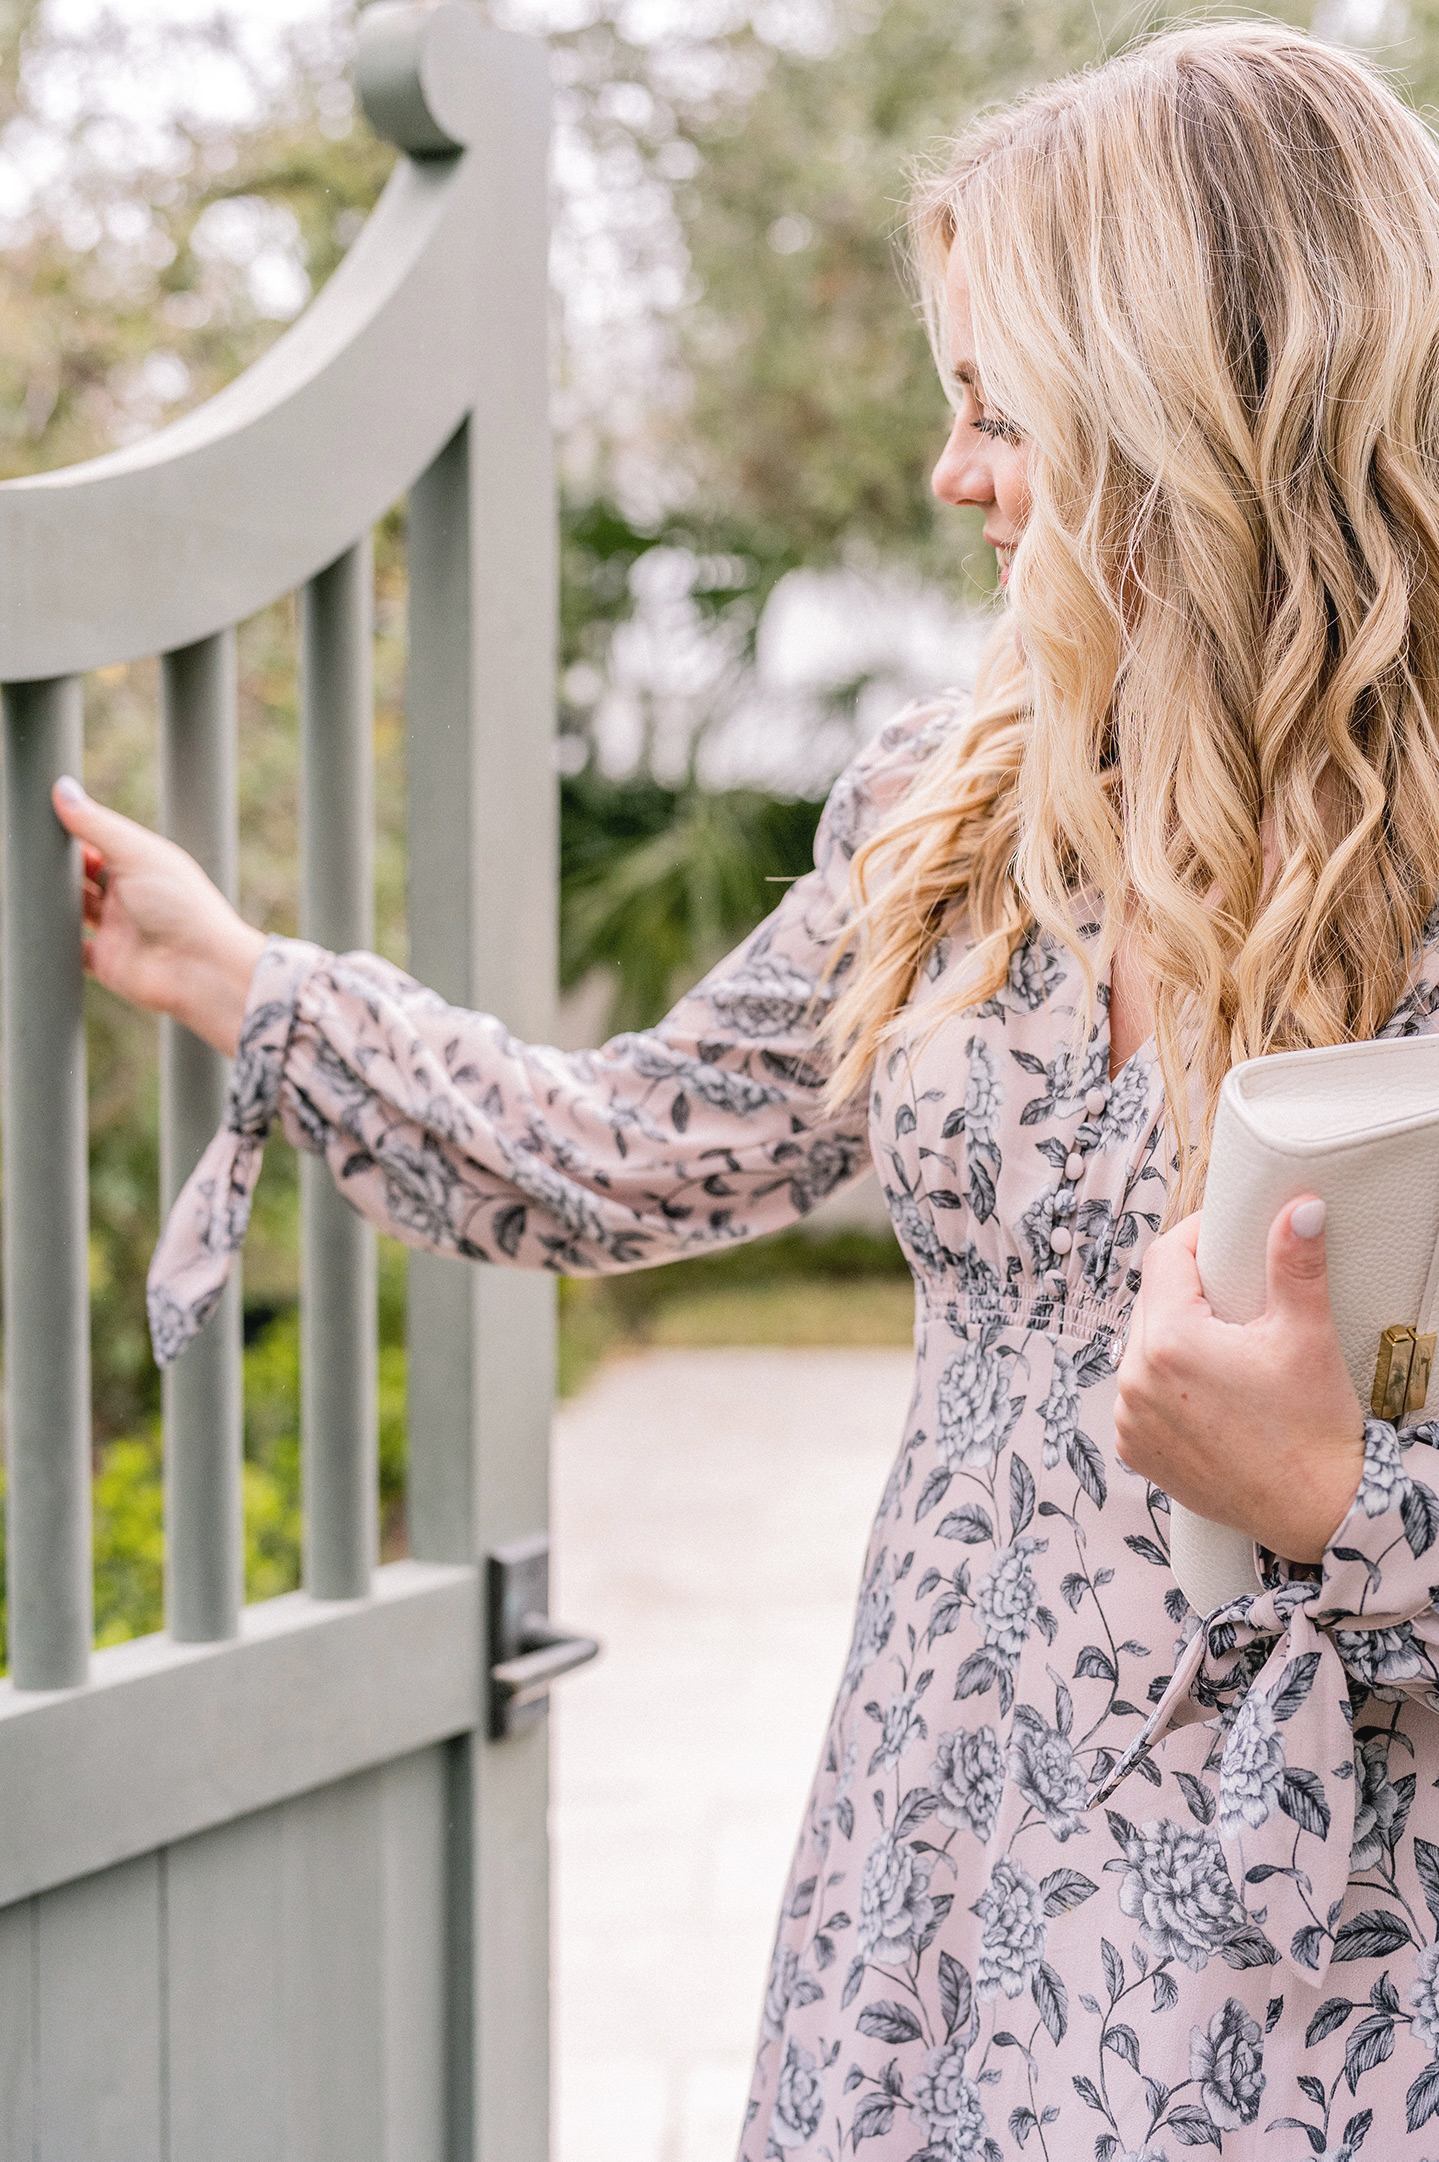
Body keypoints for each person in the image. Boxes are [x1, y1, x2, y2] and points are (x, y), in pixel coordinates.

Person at [50, 17, 1439, 2153]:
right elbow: (630, 1153)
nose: (952, 473)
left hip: (1301, 1959)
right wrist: (244, 984)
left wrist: (1347, 1505)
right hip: (933, 1880)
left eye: (1001, 412)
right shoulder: (958, 819)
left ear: (1188, 414)